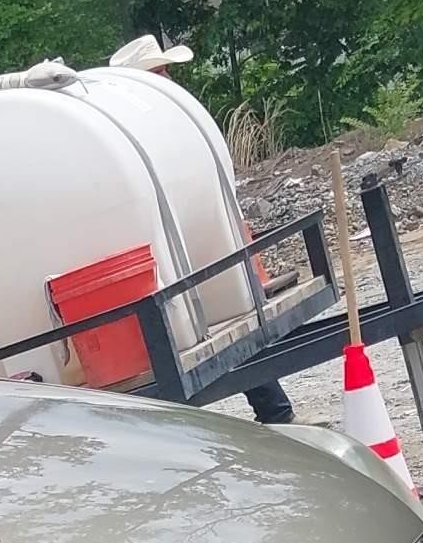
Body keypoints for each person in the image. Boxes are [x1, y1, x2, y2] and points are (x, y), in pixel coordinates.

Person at [111, 34, 296, 425]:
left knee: (229, 317)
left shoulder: (156, 123)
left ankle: (276, 413)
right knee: (202, 330)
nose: (168, 79)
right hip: (165, 248)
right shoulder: (143, 127)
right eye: (160, 72)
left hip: (188, 239)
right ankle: (273, 414)